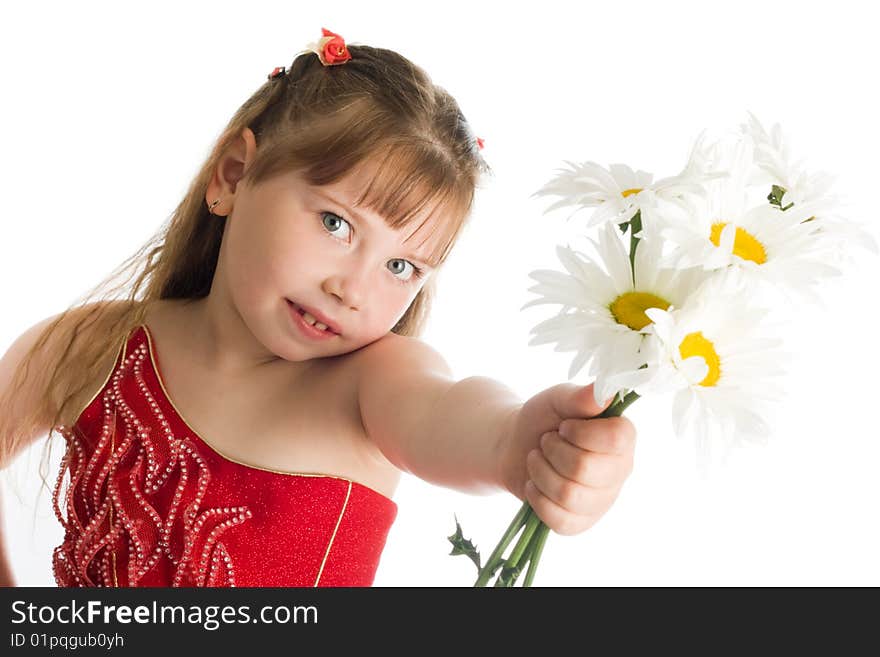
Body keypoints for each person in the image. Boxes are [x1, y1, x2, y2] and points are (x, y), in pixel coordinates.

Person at [0, 28, 636, 587]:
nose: (353, 289)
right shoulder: (91, 347)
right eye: (337, 223)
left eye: (400, 266)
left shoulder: (369, 385)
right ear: (231, 175)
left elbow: (449, 412)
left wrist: (516, 442)